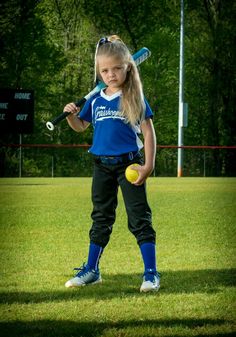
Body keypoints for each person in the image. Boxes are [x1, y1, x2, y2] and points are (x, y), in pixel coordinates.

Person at [63, 35, 160, 292]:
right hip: (101, 166)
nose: (110, 74)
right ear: (99, 72)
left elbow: (148, 132)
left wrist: (148, 165)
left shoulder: (133, 96)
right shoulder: (95, 99)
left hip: (130, 165)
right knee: (101, 218)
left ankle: (151, 273)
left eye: (117, 68)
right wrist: (72, 115)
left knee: (139, 219)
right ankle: (92, 270)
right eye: (104, 70)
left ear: (128, 67)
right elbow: (81, 127)